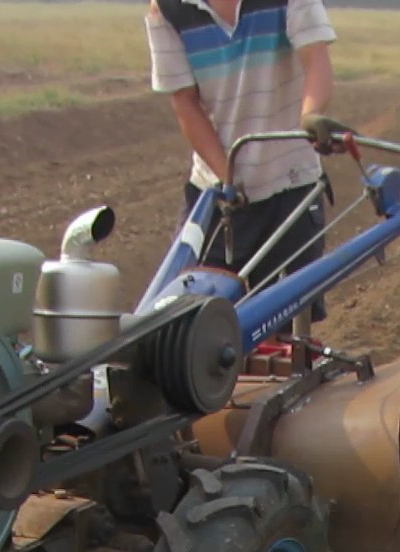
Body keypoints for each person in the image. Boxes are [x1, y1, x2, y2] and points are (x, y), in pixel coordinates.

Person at [145, 0, 353, 322]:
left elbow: (316, 58)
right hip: (217, 195)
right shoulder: (168, 10)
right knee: (192, 323)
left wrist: (311, 116)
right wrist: (226, 175)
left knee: (286, 327)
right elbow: (185, 102)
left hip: (291, 183)